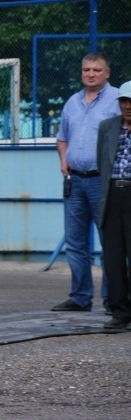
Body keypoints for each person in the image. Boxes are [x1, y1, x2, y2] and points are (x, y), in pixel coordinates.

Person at [53, 52, 120, 313]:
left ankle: (113, 299)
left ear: (107, 73)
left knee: (110, 243)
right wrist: (63, 159)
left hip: (104, 181)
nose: (91, 74)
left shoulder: (118, 101)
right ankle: (80, 297)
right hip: (75, 182)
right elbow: (62, 138)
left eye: (97, 70)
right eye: (86, 70)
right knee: (75, 242)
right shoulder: (72, 102)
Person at [96, 80, 131, 330]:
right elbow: (102, 163)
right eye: (124, 101)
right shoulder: (108, 127)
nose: (128, 106)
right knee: (113, 257)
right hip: (113, 194)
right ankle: (120, 312)